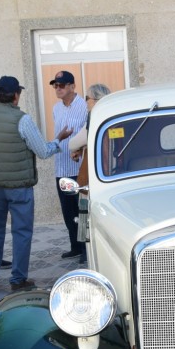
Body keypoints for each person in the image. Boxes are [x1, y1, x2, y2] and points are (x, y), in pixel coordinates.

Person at [0, 75, 71, 292]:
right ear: (15, 96)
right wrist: (59, 140)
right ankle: (18, 279)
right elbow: (43, 151)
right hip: (18, 186)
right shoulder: (23, 120)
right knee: (21, 232)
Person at [67, 83, 111, 266]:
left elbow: (74, 142)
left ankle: (86, 251)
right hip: (109, 172)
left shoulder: (95, 117)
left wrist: (77, 147)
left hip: (93, 175)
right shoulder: (113, 114)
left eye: (87, 98)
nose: (85, 102)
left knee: (84, 211)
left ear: (95, 100)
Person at [49, 70, 89, 260]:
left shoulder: (84, 106)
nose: (58, 89)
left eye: (62, 85)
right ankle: (74, 245)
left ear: (72, 86)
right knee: (68, 211)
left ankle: (85, 249)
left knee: (82, 210)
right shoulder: (56, 108)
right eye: (55, 85)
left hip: (79, 169)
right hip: (62, 168)